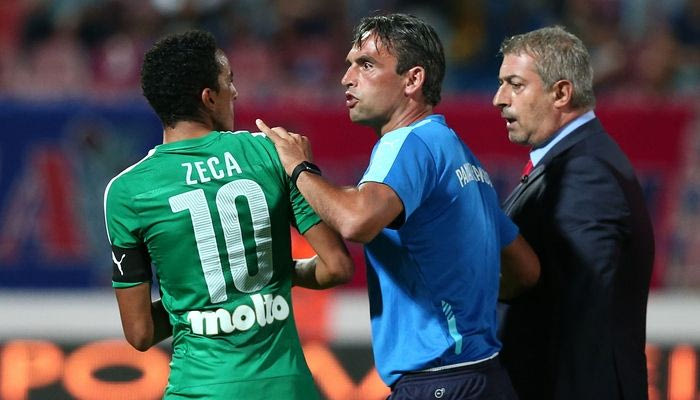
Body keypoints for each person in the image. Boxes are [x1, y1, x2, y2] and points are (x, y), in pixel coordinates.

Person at [255, 13, 540, 399]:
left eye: (366, 65)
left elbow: (357, 221)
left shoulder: (407, 143)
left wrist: (298, 167)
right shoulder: (459, 154)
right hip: (484, 377)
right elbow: (526, 270)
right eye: (349, 64)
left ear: (413, 79)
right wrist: (462, 304)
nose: (347, 78)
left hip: (438, 381)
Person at [102, 30, 354, 399]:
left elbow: (140, 332)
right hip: (286, 388)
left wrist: (196, 304)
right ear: (209, 97)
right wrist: (276, 273)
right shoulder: (271, 152)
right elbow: (337, 267)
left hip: (198, 389)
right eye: (229, 81)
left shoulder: (127, 192)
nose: (234, 92)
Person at [493, 26, 655, 400]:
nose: (499, 99)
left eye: (515, 85)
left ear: (561, 93)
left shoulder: (585, 172)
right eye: (501, 84)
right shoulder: (574, 162)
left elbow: (581, 313)